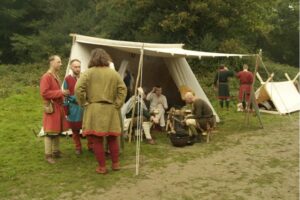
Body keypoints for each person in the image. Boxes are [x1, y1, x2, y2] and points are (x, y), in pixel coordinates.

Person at [75, 48, 127, 174]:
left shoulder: (88, 73)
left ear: (92, 59)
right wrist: (118, 103)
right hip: (111, 109)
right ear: (106, 58)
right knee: (112, 138)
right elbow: (123, 89)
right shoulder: (113, 73)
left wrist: (84, 102)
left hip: (95, 109)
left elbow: (78, 89)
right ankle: (115, 164)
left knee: (97, 140)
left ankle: (102, 167)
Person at [40, 55, 70, 164]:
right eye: (59, 62)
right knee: (49, 132)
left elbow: (55, 91)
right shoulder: (46, 77)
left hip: (58, 106)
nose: (61, 64)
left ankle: (56, 152)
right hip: (51, 107)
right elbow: (44, 93)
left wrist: (63, 96)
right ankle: (48, 155)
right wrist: (61, 92)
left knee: (57, 130)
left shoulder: (55, 75)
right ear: (52, 62)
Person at [63, 59, 93, 155]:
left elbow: (90, 90)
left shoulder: (85, 77)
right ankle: (78, 147)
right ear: (71, 67)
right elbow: (66, 95)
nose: (77, 69)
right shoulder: (67, 79)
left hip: (84, 107)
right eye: (75, 67)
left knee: (87, 128)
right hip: (73, 108)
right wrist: (66, 108)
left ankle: (91, 146)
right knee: (75, 130)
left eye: (79, 66)